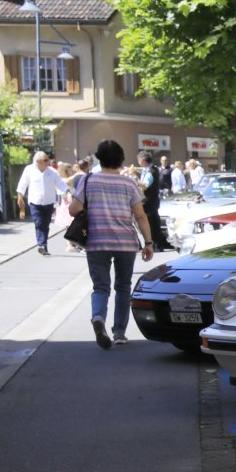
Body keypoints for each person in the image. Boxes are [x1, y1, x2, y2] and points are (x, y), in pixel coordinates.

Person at [74, 139, 154, 348]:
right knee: (123, 287)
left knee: (101, 287)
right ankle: (119, 333)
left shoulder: (88, 180)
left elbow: (74, 209)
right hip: (125, 242)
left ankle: (98, 318)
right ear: (121, 159)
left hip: (96, 241)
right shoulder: (129, 183)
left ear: (99, 159)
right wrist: (148, 242)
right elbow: (140, 215)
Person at [15, 151, 68, 255]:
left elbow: (61, 184)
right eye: (45, 160)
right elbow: (22, 184)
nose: (48, 162)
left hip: (49, 202)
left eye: (48, 159)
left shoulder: (52, 171)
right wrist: (20, 197)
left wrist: (67, 192)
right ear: (37, 161)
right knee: (39, 222)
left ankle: (44, 245)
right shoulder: (29, 170)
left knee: (46, 224)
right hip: (35, 202)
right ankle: (42, 245)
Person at [137, 150, 172, 251]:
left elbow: (144, 185)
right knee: (154, 223)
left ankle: (156, 244)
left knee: (151, 224)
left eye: (138, 160)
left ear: (142, 160)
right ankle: (160, 243)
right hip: (151, 201)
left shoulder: (151, 170)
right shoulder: (149, 169)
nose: (138, 162)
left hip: (149, 202)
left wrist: (134, 178)